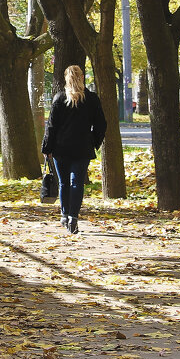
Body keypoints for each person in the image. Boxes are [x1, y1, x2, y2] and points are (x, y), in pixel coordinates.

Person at [41, 64, 107, 234]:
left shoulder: (59, 98)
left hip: (60, 148)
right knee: (77, 183)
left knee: (63, 183)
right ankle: (74, 217)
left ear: (66, 78)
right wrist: (94, 141)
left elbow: (51, 127)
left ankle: (64, 214)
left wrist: (47, 148)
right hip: (82, 148)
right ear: (82, 78)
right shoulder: (91, 99)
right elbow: (101, 124)